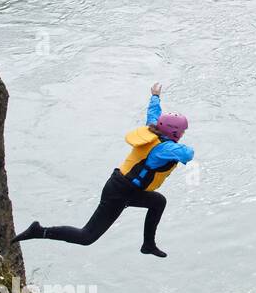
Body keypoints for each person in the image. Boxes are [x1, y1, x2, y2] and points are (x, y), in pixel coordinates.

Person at [15, 84, 194, 258]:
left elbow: (153, 113)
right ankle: (39, 231)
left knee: (158, 201)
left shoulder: (153, 130)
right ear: (174, 132)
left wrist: (155, 96)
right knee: (86, 236)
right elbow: (187, 154)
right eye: (182, 132)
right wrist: (181, 148)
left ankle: (148, 245)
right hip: (120, 192)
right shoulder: (165, 149)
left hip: (127, 188)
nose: (183, 134)